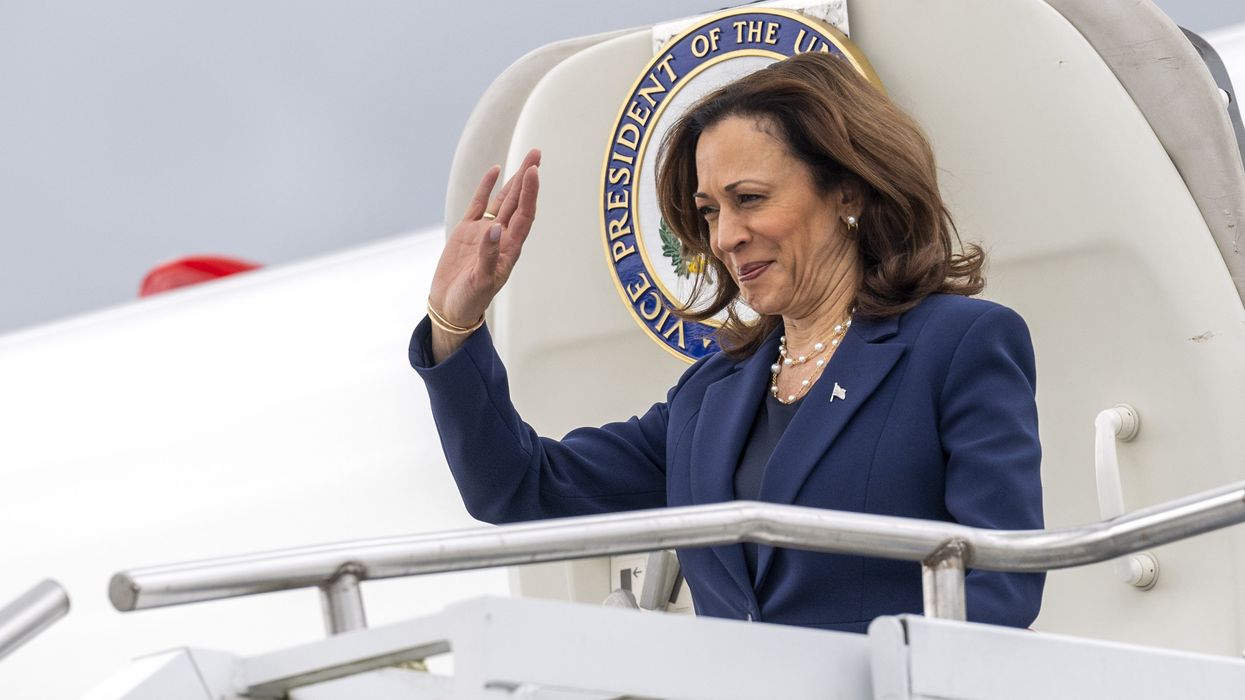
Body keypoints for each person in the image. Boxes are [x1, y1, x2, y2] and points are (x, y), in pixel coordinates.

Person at [411, 52, 1043, 633]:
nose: (725, 237)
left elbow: (1002, 587)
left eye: (749, 199)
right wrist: (454, 322)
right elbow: (518, 489)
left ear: (847, 190)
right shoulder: (709, 394)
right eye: (711, 209)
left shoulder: (957, 345)